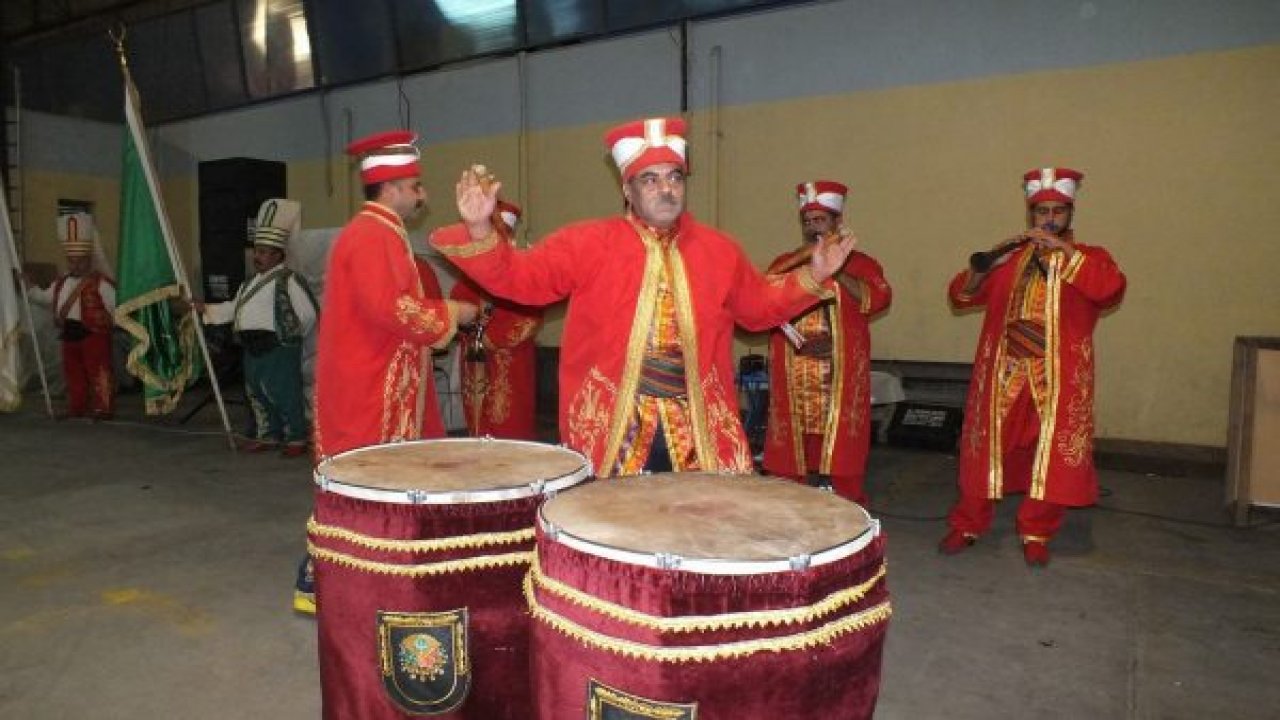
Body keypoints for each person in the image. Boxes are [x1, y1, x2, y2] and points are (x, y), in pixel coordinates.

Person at [432, 117, 856, 478]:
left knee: (700, 532)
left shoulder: (719, 250)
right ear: (627, 192)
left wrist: (814, 274)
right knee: (613, 534)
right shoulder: (588, 242)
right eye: (650, 180)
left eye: (674, 177)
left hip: (699, 423)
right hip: (616, 422)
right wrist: (480, 231)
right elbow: (519, 279)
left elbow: (759, 308)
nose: (666, 189)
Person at [297, 130, 478, 614]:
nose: (423, 194)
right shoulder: (372, 234)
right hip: (369, 387)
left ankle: (371, 578)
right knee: (362, 487)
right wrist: (451, 314)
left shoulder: (377, 232)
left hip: (382, 380)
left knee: (378, 486)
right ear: (392, 187)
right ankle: (336, 583)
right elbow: (391, 309)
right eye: (416, 185)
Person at [938, 167, 1126, 567]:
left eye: (1058, 211)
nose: (1050, 219)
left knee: (1050, 451)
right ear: (1031, 215)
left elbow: (1110, 290)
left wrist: (1067, 254)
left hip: (1056, 375)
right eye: (1042, 212)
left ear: (1070, 214)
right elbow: (961, 294)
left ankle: (1037, 531)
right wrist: (984, 264)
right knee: (985, 445)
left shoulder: (1090, 257)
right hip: (1004, 370)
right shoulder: (1010, 258)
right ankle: (968, 523)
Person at [762, 181, 891, 502]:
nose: (812, 226)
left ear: (837, 222)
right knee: (791, 455)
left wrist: (837, 266)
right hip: (795, 372)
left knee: (841, 449)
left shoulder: (861, 264)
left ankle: (848, 512)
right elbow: (763, 296)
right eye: (807, 221)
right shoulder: (786, 261)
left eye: (820, 219)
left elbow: (876, 300)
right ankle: (791, 508)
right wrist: (804, 261)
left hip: (838, 372)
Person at [195, 199, 318, 458]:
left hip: (279, 346)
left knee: (285, 393)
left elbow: (308, 314)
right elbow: (232, 308)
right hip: (251, 346)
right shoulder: (249, 283)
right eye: (256, 251)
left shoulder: (289, 280)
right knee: (257, 393)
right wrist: (204, 309)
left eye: (263, 252)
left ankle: (295, 437)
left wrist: (290, 336)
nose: (257, 256)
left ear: (278, 255)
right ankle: (268, 435)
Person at [448, 200, 543, 440]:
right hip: (475, 360)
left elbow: (529, 315)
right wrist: (467, 325)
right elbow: (458, 301)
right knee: (477, 422)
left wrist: (489, 336)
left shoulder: (522, 267)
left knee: (510, 425)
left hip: (510, 361)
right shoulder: (470, 272)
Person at [27, 213, 116, 420]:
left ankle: (104, 408)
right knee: (73, 373)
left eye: (79, 261)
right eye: (71, 261)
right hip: (69, 332)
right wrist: (29, 288)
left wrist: (114, 323)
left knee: (99, 372)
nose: (75, 265)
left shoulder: (101, 283)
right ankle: (77, 407)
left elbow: (115, 306)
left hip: (94, 333)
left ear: (88, 260)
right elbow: (45, 298)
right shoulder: (61, 282)